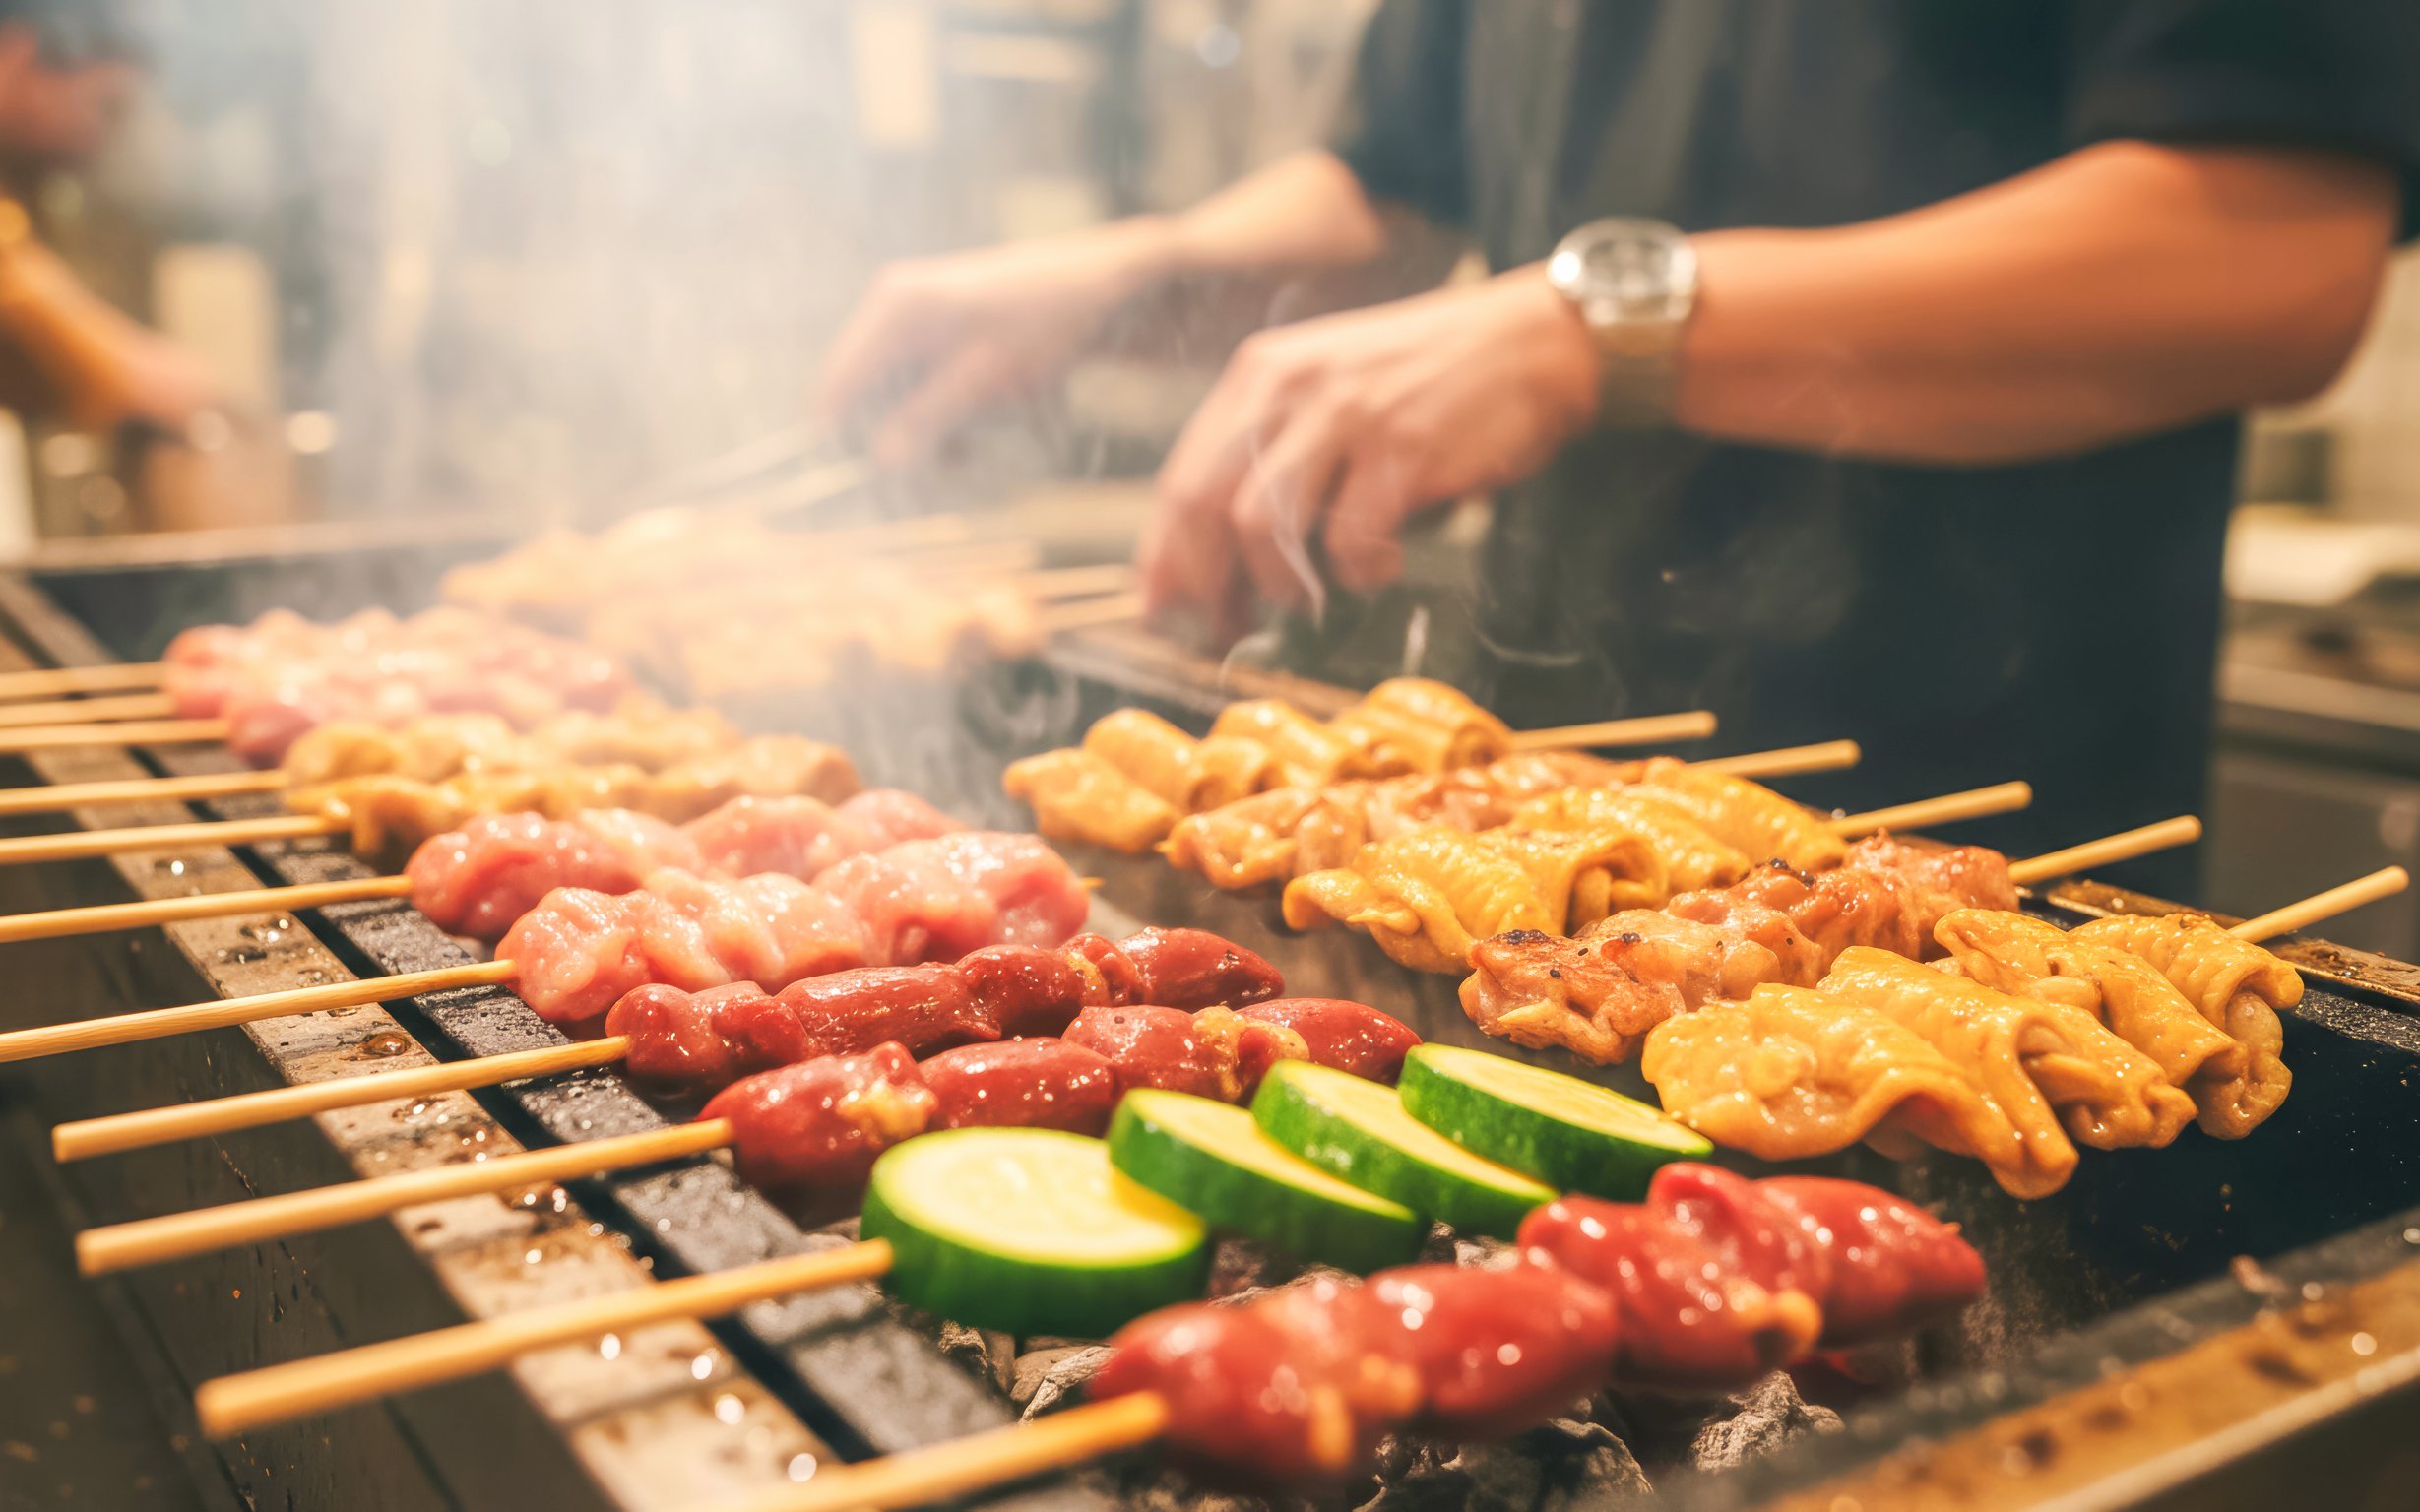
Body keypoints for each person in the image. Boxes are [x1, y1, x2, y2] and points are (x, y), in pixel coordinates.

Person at [817, 2, 2420, 869]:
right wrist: (1136, 275)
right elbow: (1394, 190)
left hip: (1973, 843)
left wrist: (1589, 328)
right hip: (1527, 818)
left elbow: (2270, 254)